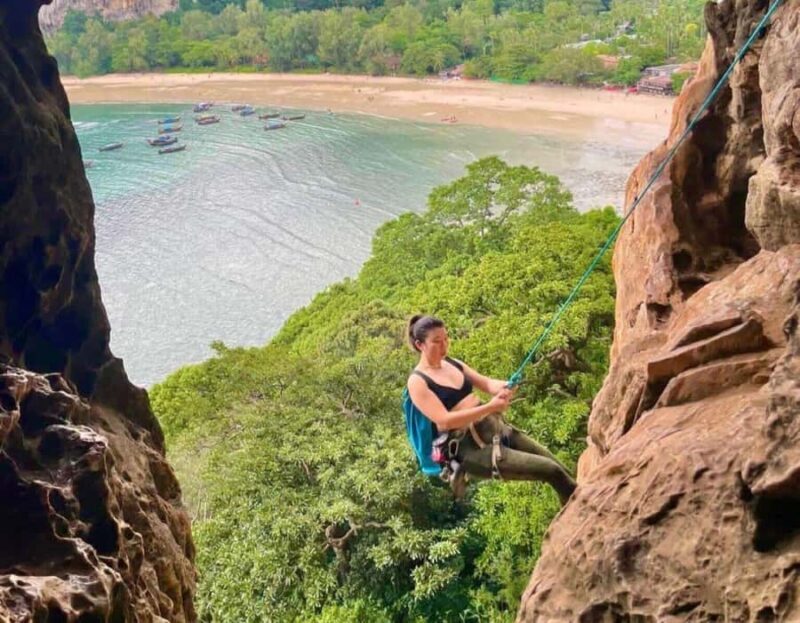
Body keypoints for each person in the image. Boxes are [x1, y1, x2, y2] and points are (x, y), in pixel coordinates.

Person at [405, 314, 577, 505]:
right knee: (551, 470)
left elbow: (486, 383)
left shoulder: (452, 363)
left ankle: (576, 502)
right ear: (420, 345)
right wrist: (490, 407)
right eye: (437, 342)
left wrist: (504, 386)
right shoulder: (418, 382)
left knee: (561, 468)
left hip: (494, 428)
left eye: (446, 338)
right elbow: (444, 420)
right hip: (471, 449)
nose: (444, 346)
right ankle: (582, 510)